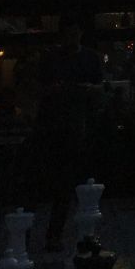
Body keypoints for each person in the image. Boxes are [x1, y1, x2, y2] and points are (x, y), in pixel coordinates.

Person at [29, 16, 104, 253]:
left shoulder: (89, 58)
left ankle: (74, 234)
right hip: (57, 127)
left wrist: (89, 90)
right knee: (59, 182)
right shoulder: (52, 58)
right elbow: (40, 89)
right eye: (69, 34)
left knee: (74, 184)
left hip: (78, 126)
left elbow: (100, 88)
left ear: (80, 33)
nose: (72, 38)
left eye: (75, 33)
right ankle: (55, 234)